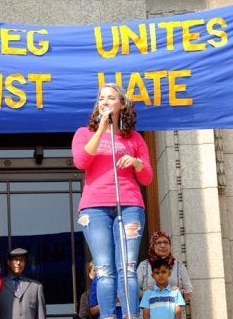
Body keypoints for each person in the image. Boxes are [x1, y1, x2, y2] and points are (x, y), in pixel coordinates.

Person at [72, 83, 154, 319]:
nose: (105, 101)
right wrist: (101, 130)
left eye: (111, 98)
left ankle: (130, 316)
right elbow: (81, 161)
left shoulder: (135, 138)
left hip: (128, 204)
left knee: (127, 268)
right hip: (94, 207)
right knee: (105, 269)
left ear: (122, 104)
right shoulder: (83, 133)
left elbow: (147, 178)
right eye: (101, 98)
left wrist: (136, 162)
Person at [137, 231, 194, 302]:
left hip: (174, 310)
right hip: (150, 310)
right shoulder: (144, 266)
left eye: (166, 242)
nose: (163, 245)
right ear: (152, 245)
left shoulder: (178, 265)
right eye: (159, 243)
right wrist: (146, 293)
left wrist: (179, 292)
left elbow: (189, 290)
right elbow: (135, 291)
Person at [0, 247, 46, 319]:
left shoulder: (36, 287)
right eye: (15, 260)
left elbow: (41, 316)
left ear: (25, 263)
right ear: (8, 262)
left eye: (22, 260)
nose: (18, 263)